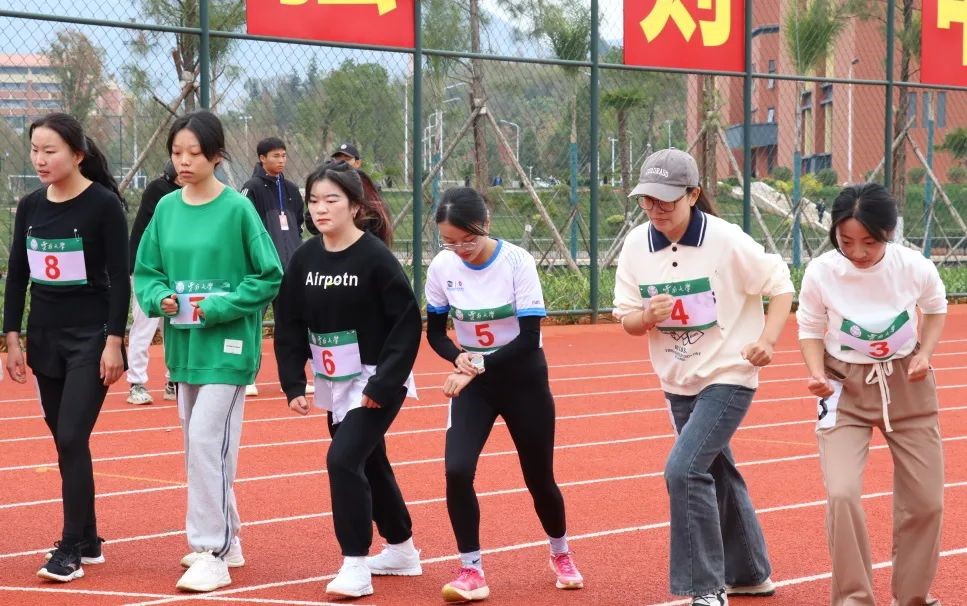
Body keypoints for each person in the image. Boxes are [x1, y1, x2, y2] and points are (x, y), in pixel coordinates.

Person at [613, 149, 792, 606]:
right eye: (647, 200)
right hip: (677, 377)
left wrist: (767, 341)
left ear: (693, 195)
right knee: (717, 470)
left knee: (684, 469)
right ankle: (750, 573)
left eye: (666, 201)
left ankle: (707, 589)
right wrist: (645, 318)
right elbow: (627, 319)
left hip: (730, 372)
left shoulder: (726, 240)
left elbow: (780, 285)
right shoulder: (636, 246)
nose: (655, 209)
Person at [133, 111, 283, 592]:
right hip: (184, 348)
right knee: (201, 445)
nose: (183, 161)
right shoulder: (166, 209)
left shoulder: (237, 209)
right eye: (176, 152)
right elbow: (147, 272)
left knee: (205, 441)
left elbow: (269, 274)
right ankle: (228, 538)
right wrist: (160, 297)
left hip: (229, 348)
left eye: (193, 153)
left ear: (216, 156)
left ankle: (211, 551)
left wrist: (219, 306)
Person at [424, 187, 584, 603]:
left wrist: (474, 366)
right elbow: (434, 334)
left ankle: (561, 552)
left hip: (523, 381)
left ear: (486, 224)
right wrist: (458, 358)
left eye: (468, 239)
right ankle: (470, 569)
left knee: (539, 478)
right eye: (449, 242)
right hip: (474, 385)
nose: (461, 249)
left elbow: (529, 339)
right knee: (457, 470)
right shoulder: (442, 266)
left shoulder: (517, 261)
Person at [274, 160, 422, 598]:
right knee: (369, 461)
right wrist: (292, 381)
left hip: (376, 380)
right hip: (333, 379)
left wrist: (383, 384)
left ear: (355, 206)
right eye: (313, 201)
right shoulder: (305, 259)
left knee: (342, 460)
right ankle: (402, 549)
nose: (320, 209)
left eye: (331, 200)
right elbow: (289, 322)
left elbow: (406, 325)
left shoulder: (375, 258)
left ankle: (355, 563)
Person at [797, 183, 945, 606]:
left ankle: (912, 597)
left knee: (927, 502)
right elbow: (809, 328)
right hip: (842, 386)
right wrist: (815, 373)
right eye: (846, 241)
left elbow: (936, 308)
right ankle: (853, 598)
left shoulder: (913, 267)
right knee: (842, 494)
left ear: (888, 232)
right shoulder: (822, 272)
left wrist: (925, 354)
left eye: (869, 241)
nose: (858, 252)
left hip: (907, 383)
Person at [3, 112, 130, 582]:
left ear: (77, 155)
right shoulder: (30, 206)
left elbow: (120, 279)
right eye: (35, 150)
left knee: (72, 436)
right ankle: (90, 538)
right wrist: (12, 337)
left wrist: (114, 341)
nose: (39, 159)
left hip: (90, 339)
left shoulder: (103, 205)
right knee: (64, 440)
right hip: (44, 338)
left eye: (50, 150)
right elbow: (17, 274)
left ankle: (70, 547)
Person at [240, 137, 305, 397]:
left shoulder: (291, 189)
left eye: (284, 155)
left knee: (289, 326)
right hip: (262, 270)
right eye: (275, 156)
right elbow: (244, 226)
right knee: (252, 323)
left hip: (288, 270)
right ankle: (247, 377)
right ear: (262, 158)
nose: (281, 160)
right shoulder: (251, 188)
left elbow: (298, 224)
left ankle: (291, 380)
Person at [126, 162, 181, 405]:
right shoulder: (158, 190)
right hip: (146, 269)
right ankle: (136, 383)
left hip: (173, 270)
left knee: (175, 325)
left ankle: (173, 380)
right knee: (144, 324)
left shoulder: (189, 192)